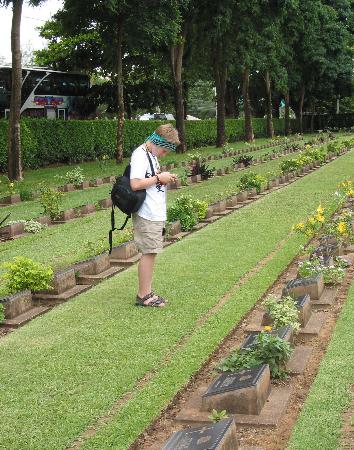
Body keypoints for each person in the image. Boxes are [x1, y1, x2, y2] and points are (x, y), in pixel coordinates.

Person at [130, 124, 180, 307]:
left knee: (152, 252)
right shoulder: (140, 155)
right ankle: (144, 296)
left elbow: (150, 180)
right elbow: (135, 184)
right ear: (158, 142)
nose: (164, 155)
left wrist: (163, 177)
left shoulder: (150, 155)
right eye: (164, 150)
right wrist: (159, 178)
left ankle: (147, 292)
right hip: (147, 213)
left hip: (155, 211)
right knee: (149, 252)